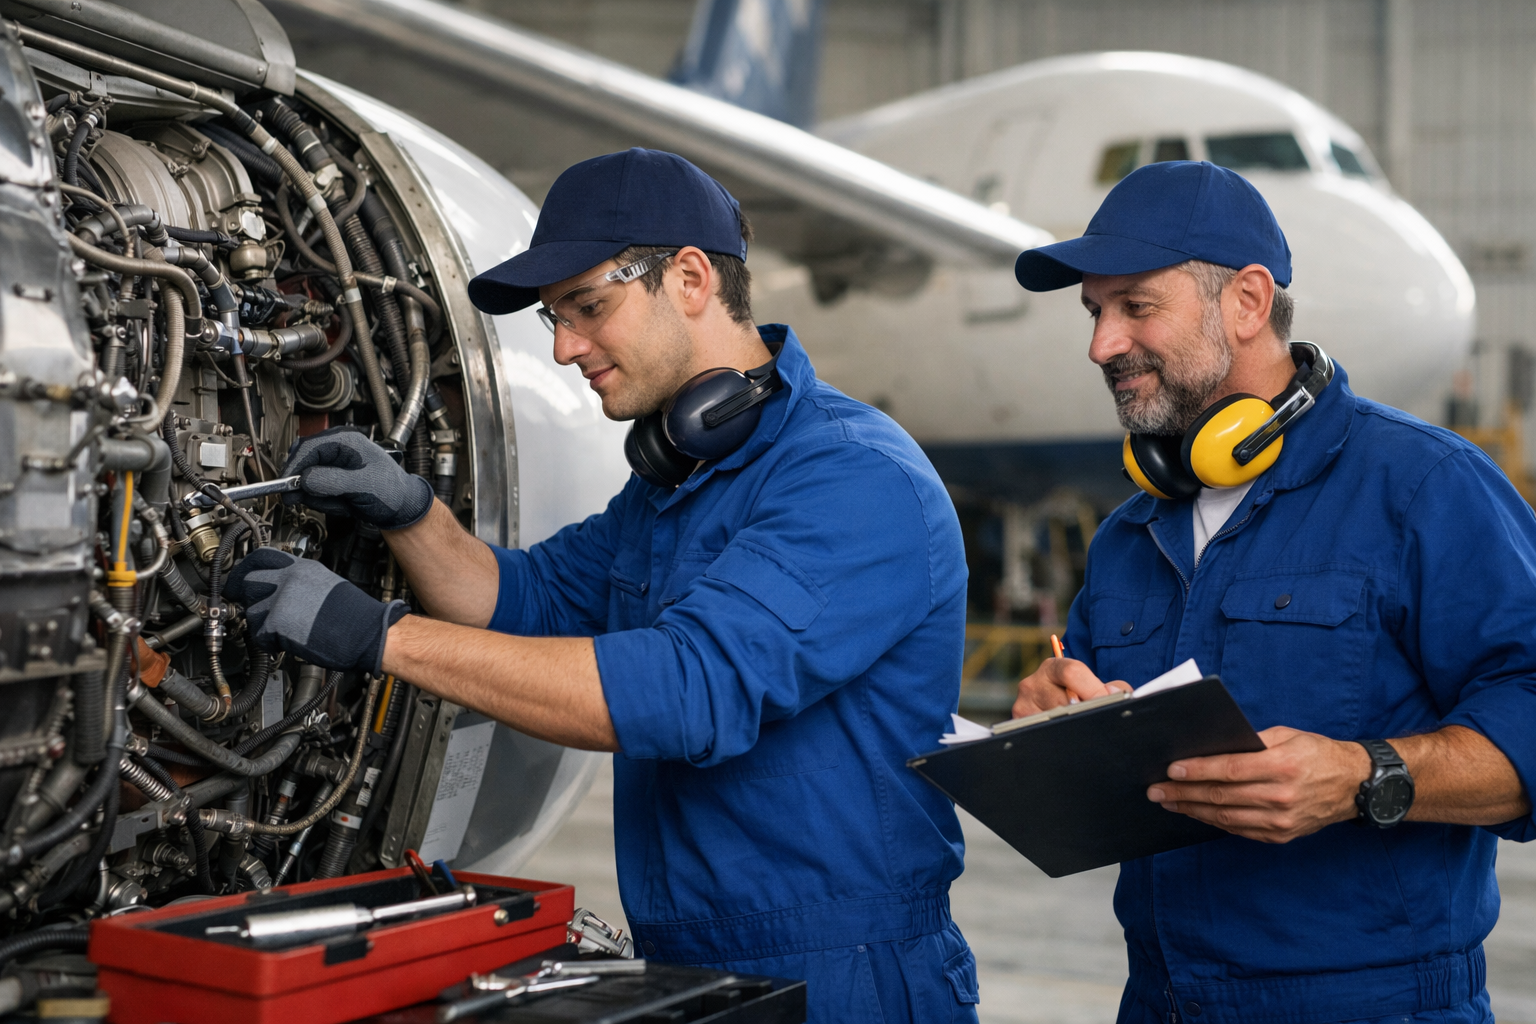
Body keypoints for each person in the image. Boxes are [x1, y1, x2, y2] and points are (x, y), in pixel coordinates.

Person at [226, 148, 979, 1024]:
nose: (562, 347)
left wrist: (381, 636)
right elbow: (528, 600)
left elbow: (685, 690)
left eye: (587, 308)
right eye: (554, 317)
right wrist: (409, 513)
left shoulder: (851, 477)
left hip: (846, 976)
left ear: (690, 278)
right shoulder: (677, 479)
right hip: (690, 955)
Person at [1010, 160, 1534, 1022]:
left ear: (1248, 303)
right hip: (1163, 999)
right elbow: (1096, 757)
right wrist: (1049, 720)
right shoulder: (1128, 537)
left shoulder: (1424, 487)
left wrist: (1366, 777)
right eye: (1095, 313)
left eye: (1135, 307)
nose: (1101, 344)